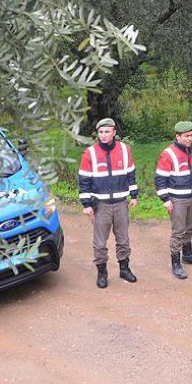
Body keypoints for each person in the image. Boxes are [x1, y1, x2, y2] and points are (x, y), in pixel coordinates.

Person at [79, 118, 139, 289]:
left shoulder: (125, 150)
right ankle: (102, 272)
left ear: (114, 133)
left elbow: (131, 175)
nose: (104, 135)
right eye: (100, 132)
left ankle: (124, 268)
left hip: (121, 203)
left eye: (107, 132)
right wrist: (86, 204)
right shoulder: (89, 153)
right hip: (101, 204)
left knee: (123, 239)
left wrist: (133, 195)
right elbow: (84, 180)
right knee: (99, 242)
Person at [154, 121, 192, 280]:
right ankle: (176, 264)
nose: (189, 139)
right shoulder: (168, 154)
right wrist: (165, 199)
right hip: (177, 199)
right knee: (178, 230)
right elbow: (160, 179)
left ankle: (188, 254)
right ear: (177, 136)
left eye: (191, 135)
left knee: (190, 227)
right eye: (186, 136)